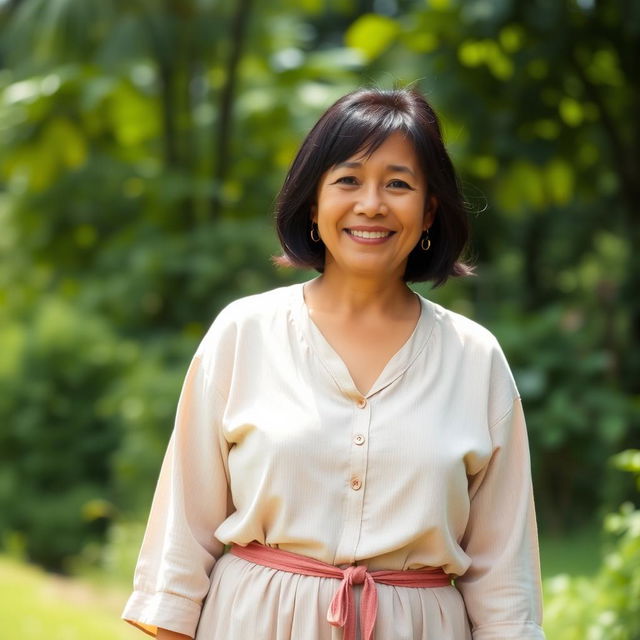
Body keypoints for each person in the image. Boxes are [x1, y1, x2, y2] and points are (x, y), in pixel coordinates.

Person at [122, 88, 545, 640]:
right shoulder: (243, 333)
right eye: (348, 180)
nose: (372, 204)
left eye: (398, 183)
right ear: (314, 203)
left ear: (429, 210)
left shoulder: (476, 358)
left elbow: (503, 569)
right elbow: (183, 533)